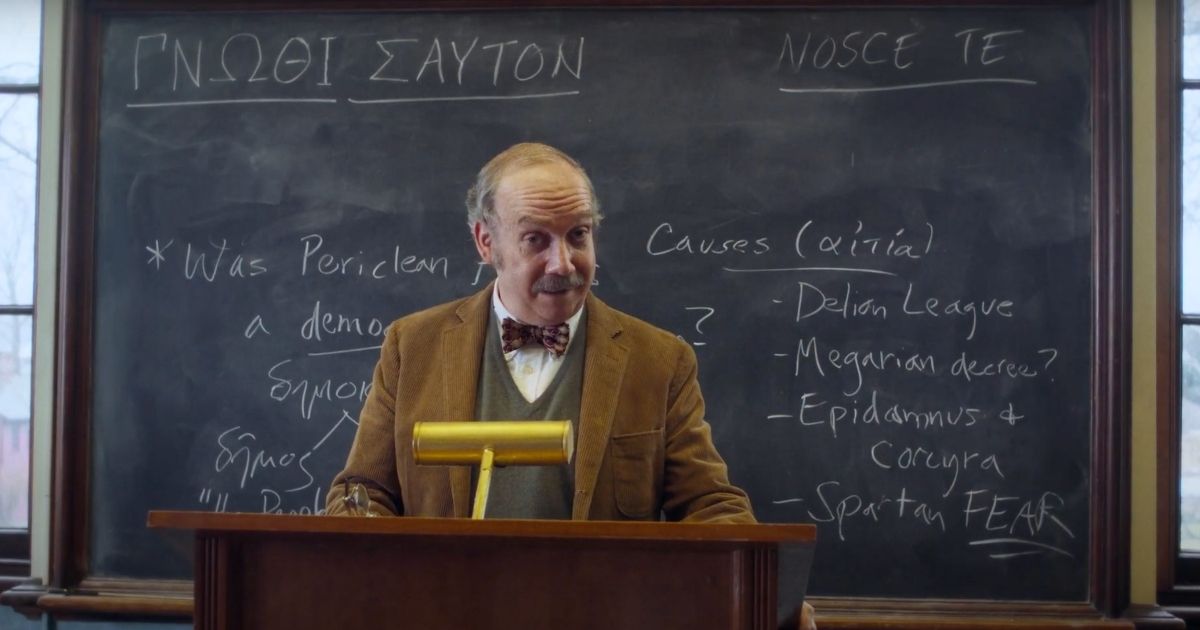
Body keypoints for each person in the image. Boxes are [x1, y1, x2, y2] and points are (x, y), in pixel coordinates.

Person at [325, 142, 754, 523]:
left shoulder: (660, 361)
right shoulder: (411, 346)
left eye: (578, 235)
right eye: (536, 239)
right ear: (485, 242)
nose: (562, 263)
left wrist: (764, 589)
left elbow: (710, 506)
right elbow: (362, 494)